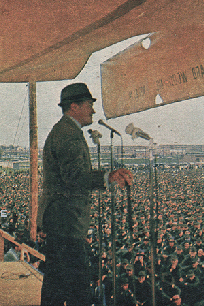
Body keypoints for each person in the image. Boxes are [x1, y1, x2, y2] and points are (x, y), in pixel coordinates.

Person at [37, 83, 133, 306]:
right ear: (74, 106)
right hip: (66, 222)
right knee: (78, 286)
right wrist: (108, 177)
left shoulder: (65, 131)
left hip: (60, 219)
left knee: (56, 284)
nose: (93, 111)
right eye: (89, 105)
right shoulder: (69, 135)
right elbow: (74, 177)